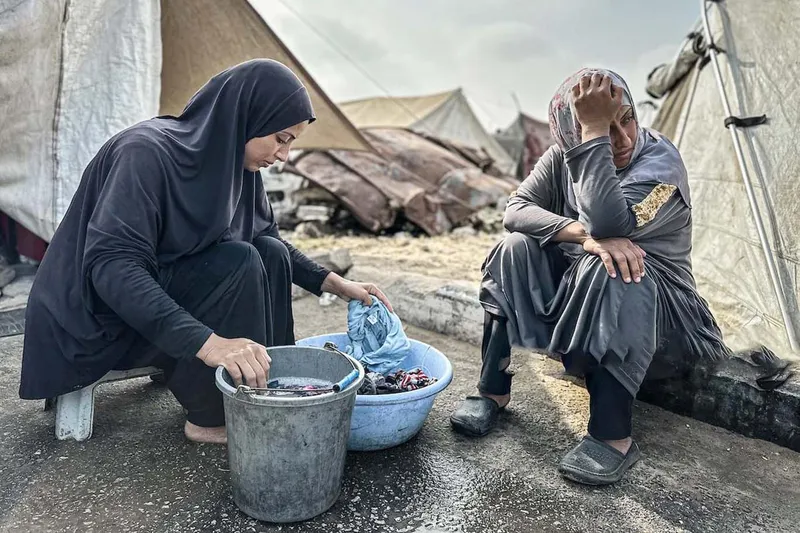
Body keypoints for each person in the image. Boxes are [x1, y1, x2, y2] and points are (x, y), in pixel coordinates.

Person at [18, 59, 391, 445]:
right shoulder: (145, 153)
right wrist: (211, 344)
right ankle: (212, 418)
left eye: (291, 142)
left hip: (150, 308)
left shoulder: (236, 166)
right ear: (247, 117)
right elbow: (113, 269)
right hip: (92, 320)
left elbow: (269, 239)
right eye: (281, 139)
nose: (284, 155)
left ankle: (270, 386)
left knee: (267, 252)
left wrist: (334, 283)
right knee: (241, 262)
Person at [450, 68, 730, 485]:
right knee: (514, 249)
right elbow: (516, 210)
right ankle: (493, 391)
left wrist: (594, 131)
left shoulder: (661, 163)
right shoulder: (563, 157)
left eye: (626, 119)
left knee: (616, 264)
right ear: (569, 135)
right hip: (587, 308)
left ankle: (612, 435)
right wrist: (580, 235)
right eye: (600, 128)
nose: (622, 139)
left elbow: (608, 223)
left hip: (665, 325)